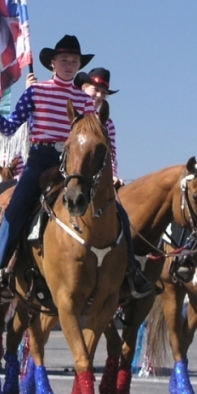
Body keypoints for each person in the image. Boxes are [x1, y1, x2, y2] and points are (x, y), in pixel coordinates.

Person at [0, 35, 149, 303]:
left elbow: (91, 136)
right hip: (40, 160)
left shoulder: (82, 100)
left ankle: (131, 271)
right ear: (53, 63)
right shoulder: (36, 92)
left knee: (118, 212)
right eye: (64, 60)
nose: (70, 64)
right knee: (15, 212)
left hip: (74, 165)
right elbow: (10, 127)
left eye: (74, 61)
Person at [74, 67, 153, 298]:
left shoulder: (108, 124)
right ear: (83, 88)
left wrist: (115, 175)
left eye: (102, 92)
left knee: (122, 217)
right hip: (71, 176)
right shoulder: (73, 112)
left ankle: (130, 270)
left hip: (97, 183)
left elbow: (112, 154)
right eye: (95, 90)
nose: (98, 95)